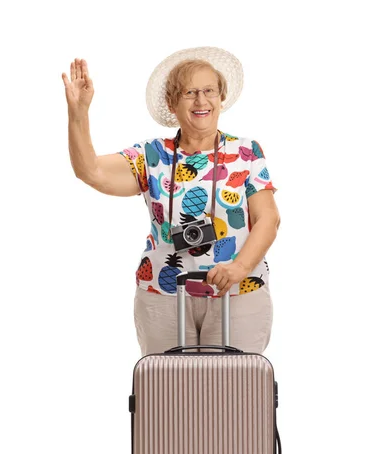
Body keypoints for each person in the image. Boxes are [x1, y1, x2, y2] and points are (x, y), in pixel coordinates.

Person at [62, 47, 280, 356]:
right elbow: (90, 171)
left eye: (209, 91)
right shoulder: (152, 155)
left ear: (221, 98)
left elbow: (268, 219)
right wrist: (78, 114)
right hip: (164, 292)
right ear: (171, 103)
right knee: (169, 395)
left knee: (233, 393)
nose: (201, 101)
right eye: (190, 92)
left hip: (239, 291)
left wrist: (239, 267)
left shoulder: (247, 151)